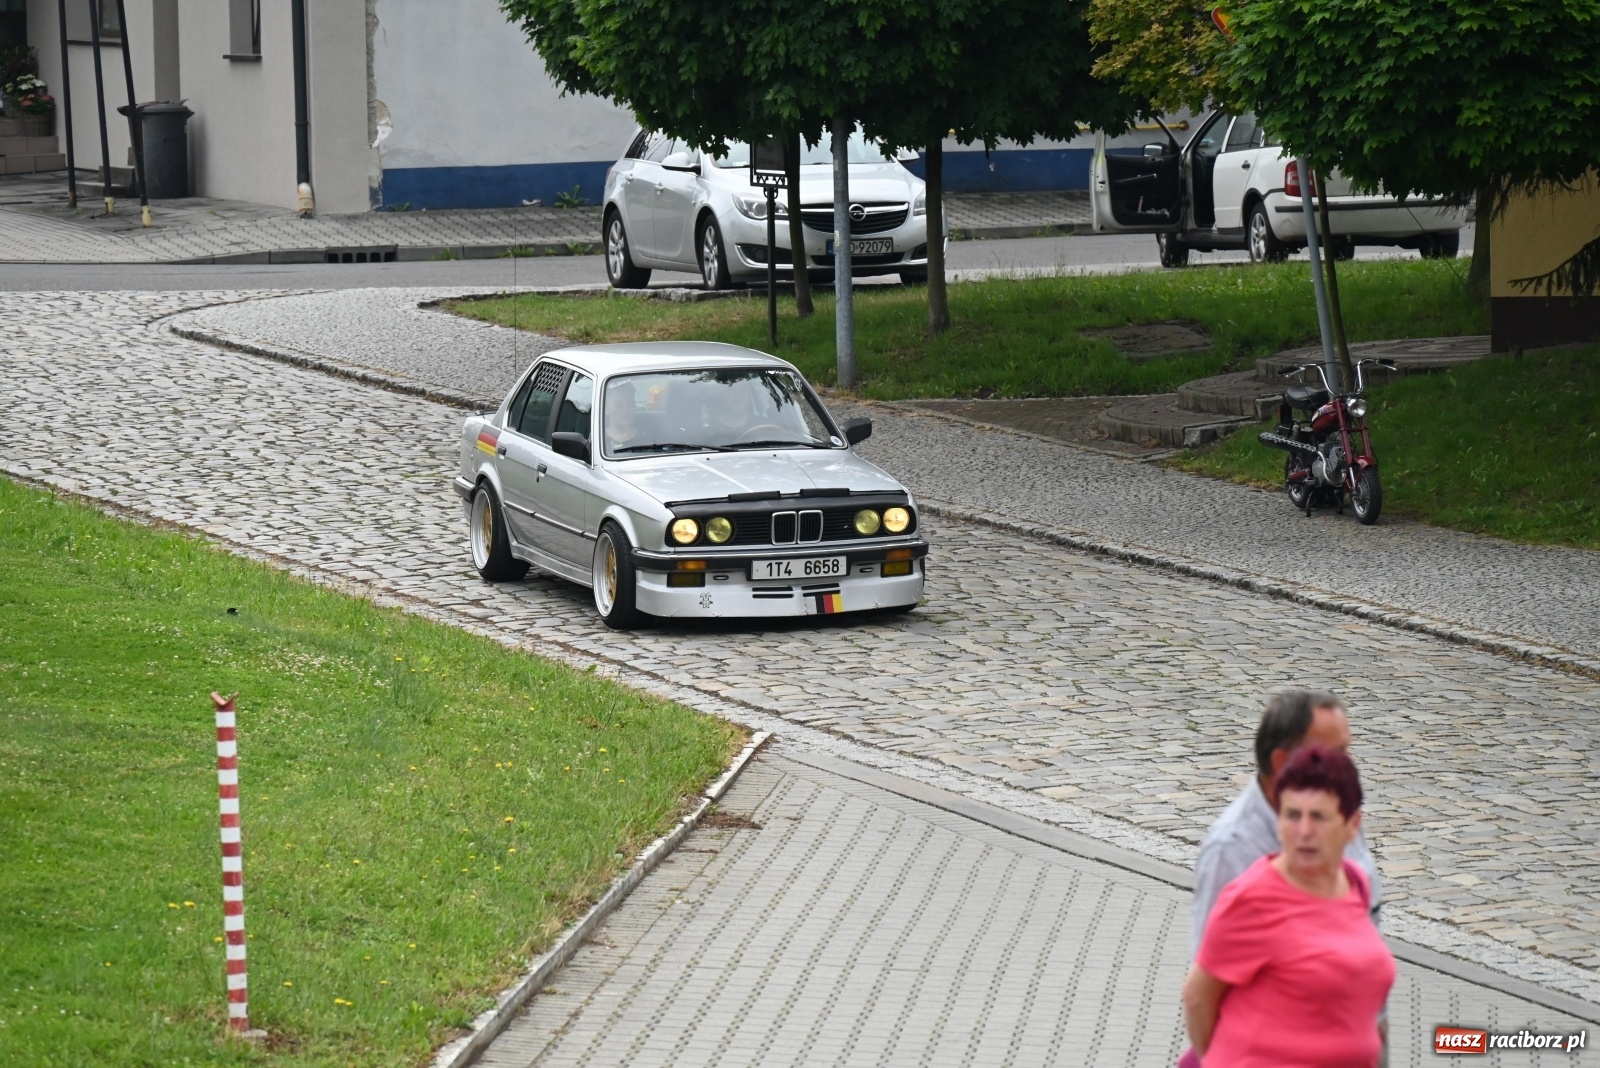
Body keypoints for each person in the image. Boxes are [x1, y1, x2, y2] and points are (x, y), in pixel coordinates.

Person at [1182, 745, 1396, 1067]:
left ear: (1352, 825)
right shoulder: (1252, 899)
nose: (1304, 832)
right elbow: (1198, 998)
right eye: (1292, 815)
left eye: (1319, 817)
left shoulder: (1354, 883)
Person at [1192, 690, 1382, 955]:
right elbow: (1208, 975)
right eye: (1333, 754)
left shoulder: (1340, 808)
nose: (1349, 765)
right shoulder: (1232, 849)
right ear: (1283, 762)